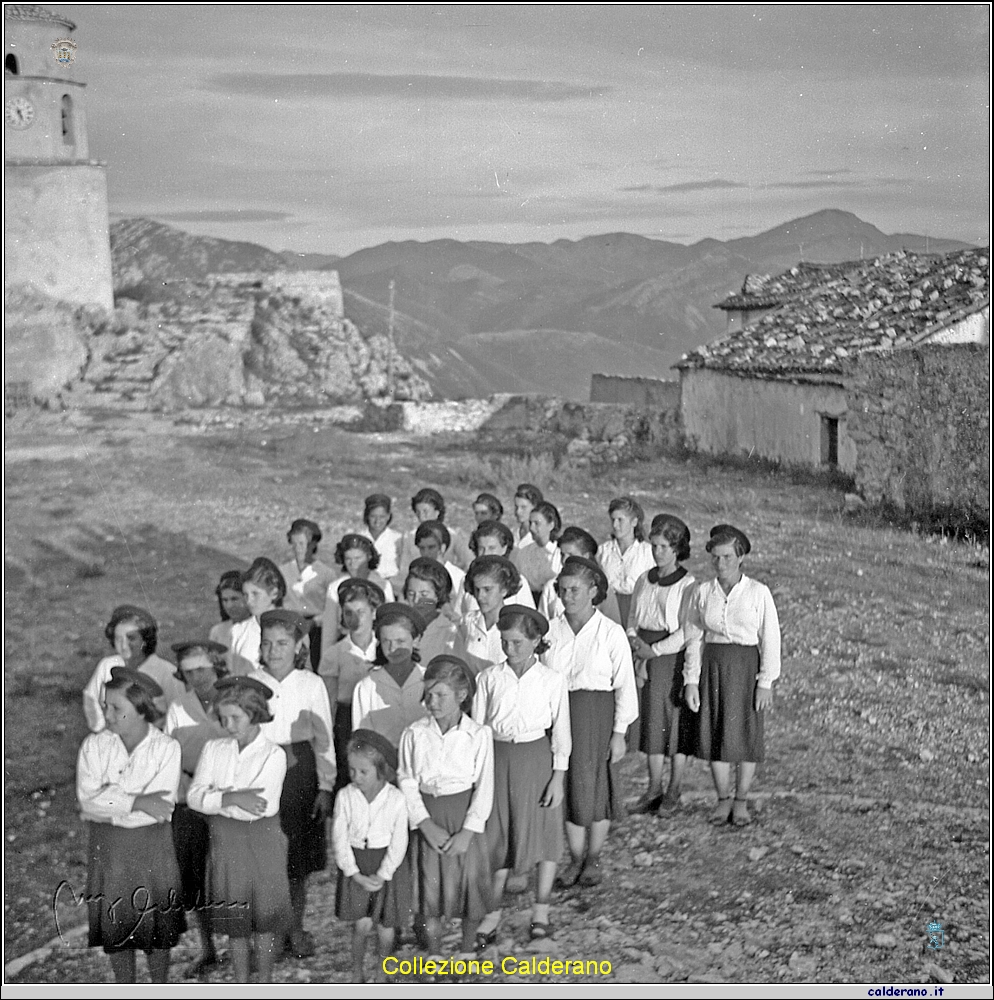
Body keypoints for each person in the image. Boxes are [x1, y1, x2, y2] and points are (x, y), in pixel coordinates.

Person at [76, 667, 184, 983]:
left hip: (152, 846)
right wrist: (135, 801)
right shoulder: (95, 746)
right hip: (110, 849)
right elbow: (87, 801)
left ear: (140, 709)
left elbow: (160, 809)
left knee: (156, 927)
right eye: (104, 706)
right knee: (117, 925)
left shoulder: (165, 748)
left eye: (116, 708)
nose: (106, 714)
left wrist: (111, 801)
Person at [472, 606, 570, 945]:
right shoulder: (488, 678)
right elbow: (477, 730)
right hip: (498, 760)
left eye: (517, 642)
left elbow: (561, 732)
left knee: (543, 832)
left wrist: (558, 777)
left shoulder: (552, 680)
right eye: (504, 641)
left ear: (535, 641)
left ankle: (541, 910)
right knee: (497, 835)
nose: (509, 649)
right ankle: (492, 912)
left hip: (536, 760)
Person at [188, 675, 291, 983]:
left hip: (262, 841)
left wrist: (215, 798)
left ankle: (264, 980)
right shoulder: (215, 749)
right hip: (226, 842)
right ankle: (241, 981)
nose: (229, 725)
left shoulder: (273, 754)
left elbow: (263, 804)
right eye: (223, 718)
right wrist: (232, 797)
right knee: (236, 919)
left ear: (254, 714)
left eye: (236, 717)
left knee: (263, 918)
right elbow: (194, 797)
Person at [544, 556, 638, 888]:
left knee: (596, 785)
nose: (568, 596)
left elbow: (625, 684)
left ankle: (594, 856)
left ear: (593, 591)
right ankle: (576, 857)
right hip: (559, 712)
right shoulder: (550, 631)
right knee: (567, 784)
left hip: (596, 713)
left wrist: (619, 732)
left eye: (575, 590)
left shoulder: (610, 633)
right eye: (563, 590)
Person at [249, 609, 335, 958]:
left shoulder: (311, 684)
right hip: (261, 771)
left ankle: (295, 928)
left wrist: (326, 786)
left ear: (298, 645)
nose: (274, 650)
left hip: (300, 773)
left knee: (297, 860)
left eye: (282, 643)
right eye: (267, 643)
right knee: (265, 858)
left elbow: (324, 738)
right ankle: (270, 931)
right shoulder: (252, 681)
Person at [683, 525, 781, 828]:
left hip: (746, 667)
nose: (720, 563)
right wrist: (691, 680)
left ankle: (741, 799)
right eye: (715, 557)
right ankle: (722, 798)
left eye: (727, 556)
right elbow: (693, 637)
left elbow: (771, 638)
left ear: (740, 558)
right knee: (715, 731)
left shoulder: (757, 592)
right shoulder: (702, 592)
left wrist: (766, 681)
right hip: (713, 665)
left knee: (746, 733)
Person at [398, 655, 494, 954]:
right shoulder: (414, 734)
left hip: (463, 815)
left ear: (461, 695)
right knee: (430, 892)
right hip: (429, 817)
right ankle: (435, 953)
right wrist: (425, 823)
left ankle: (466, 949)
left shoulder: (478, 735)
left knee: (468, 889)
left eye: (441, 695)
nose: (433, 701)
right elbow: (407, 780)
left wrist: (468, 832)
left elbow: (484, 786)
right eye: (428, 694)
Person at [163, 639, 230, 977]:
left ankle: (242, 944)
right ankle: (208, 948)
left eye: (202, 669)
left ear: (216, 666)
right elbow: (168, 754)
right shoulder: (179, 707)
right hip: (190, 799)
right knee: (196, 875)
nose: (197, 677)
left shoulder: (232, 698)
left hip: (230, 797)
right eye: (188, 673)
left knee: (232, 872)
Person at [626, 515, 697, 814]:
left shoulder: (688, 584)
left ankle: (674, 789)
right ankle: (653, 787)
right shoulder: (644, 578)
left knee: (674, 723)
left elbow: (688, 630)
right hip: (644, 654)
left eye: (665, 547)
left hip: (670, 656)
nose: (658, 552)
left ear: (678, 548)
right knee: (652, 723)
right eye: (654, 546)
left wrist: (654, 650)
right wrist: (635, 643)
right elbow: (632, 618)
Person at [332, 730, 411, 983]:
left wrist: (383, 874)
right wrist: (352, 872)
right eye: (352, 770)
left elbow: (399, 842)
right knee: (361, 925)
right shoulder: (345, 796)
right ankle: (357, 972)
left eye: (363, 772)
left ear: (380, 769)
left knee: (386, 926)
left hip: (385, 866)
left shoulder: (396, 799)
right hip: (356, 865)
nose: (356, 777)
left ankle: (381, 973)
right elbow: (339, 837)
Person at [318, 578, 386, 797]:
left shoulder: (385, 648)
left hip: (380, 718)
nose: (355, 619)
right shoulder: (334, 654)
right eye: (348, 613)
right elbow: (327, 704)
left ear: (374, 612)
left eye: (361, 612)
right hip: (347, 724)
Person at [82, 605, 184, 732]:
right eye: (118, 638)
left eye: (131, 638)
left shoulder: (167, 671)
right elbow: (91, 698)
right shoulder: (107, 665)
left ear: (145, 639)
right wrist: (101, 728)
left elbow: (178, 714)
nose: (124, 645)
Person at [352, 603, 428, 747]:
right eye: (386, 641)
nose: (393, 649)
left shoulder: (429, 681)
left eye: (400, 641)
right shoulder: (367, 687)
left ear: (416, 640)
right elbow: (362, 739)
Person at [279, 519, 338, 670]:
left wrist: (315, 622)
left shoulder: (326, 573)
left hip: (316, 629)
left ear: (313, 545)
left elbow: (332, 608)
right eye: (296, 543)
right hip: (289, 626)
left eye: (304, 544)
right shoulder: (283, 571)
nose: (300, 549)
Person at [321, 533, 394, 653]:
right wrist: (327, 657)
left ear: (369, 557)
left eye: (358, 558)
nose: (353, 564)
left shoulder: (383, 585)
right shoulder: (335, 587)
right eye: (348, 559)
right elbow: (329, 629)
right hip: (347, 647)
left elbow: (390, 621)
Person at [454, 555, 522, 676]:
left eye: (487, 590)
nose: (480, 597)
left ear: (504, 589)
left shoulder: (518, 625)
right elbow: (459, 665)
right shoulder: (466, 622)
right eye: (477, 589)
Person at [597, 496, 655, 627]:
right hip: (608, 610)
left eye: (620, 520)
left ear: (634, 522)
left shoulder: (647, 552)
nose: (615, 525)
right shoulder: (603, 551)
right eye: (613, 520)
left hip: (635, 611)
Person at [456, 521, 534, 618]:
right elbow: (458, 616)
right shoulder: (467, 580)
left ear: (504, 548)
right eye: (481, 548)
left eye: (492, 548)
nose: (486, 553)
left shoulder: (518, 581)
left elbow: (529, 618)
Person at [229, 558, 286, 676]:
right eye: (245, 595)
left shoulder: (292, 628)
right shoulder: (238, 632)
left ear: (274, 593)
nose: (249, 601)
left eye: (255, 594)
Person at [398, 488, 473, 577]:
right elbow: (404, 567)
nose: (421, 516)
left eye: (425, 511)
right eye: (418, 512)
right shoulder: (410, 537)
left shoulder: (452, 535)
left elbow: (468, 561)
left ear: (437, 512)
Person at [402, 558, 457, 664]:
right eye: (411, 594)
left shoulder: (450, 630)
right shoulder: (400, 626)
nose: (416, 600)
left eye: (424, 595)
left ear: (437, 596)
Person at [538, 526, 598, 621]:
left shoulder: (598, 586)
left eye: (571, 555)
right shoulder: (550, 587)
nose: (564, 560)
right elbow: (543, 619)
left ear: (585, 556)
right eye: (562, 554)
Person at [511, 500, 562, 605]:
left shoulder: (560, 553)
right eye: (530, 523)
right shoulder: (524, 553)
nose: (531, 528)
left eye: (537, 523)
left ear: (551, 525)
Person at [413, 520, 466, 602]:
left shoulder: (458, 577)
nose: (426, 553)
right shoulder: (414, 575)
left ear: (442, 548)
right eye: (422, 548)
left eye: (431, 547)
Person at [359, 493, 403, 585]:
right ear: (367, 516)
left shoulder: (397, 538)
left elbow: (401, 568)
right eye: (373, 516)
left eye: (382, 517)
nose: (377, 521)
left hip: (391, 585)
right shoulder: (360, 537)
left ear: (388, 516)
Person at [209, 570, 252, 652]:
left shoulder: (260, 628)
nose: (229, 606)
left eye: (234, 599)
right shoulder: (218, 632)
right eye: (225, 600)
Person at [512, 483, 543, 549]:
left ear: (535, 507)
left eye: (523, 507)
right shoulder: (513, 534)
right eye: (516, 507)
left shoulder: (541, 538)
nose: (518, 512)